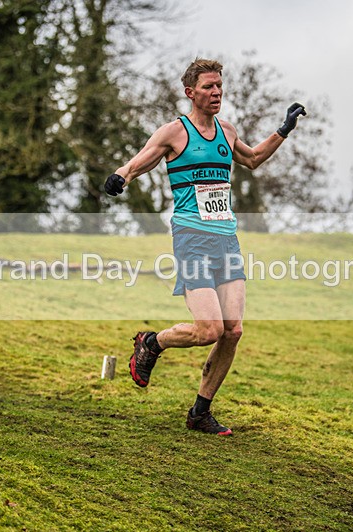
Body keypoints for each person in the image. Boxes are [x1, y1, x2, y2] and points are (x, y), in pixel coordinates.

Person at [104, 58, 306, 436]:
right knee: (209, 328)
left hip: (226, 239)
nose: (217, 92)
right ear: (190, 92)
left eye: (219, 86)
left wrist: (283, 130)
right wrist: (122, 175)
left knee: (233, 331)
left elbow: (253, 159)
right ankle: (152, 343)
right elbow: (143, 159)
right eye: (209, 86)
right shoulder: (174, 133)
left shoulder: (227, 132)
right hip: (192, 238)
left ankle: (200, 412)